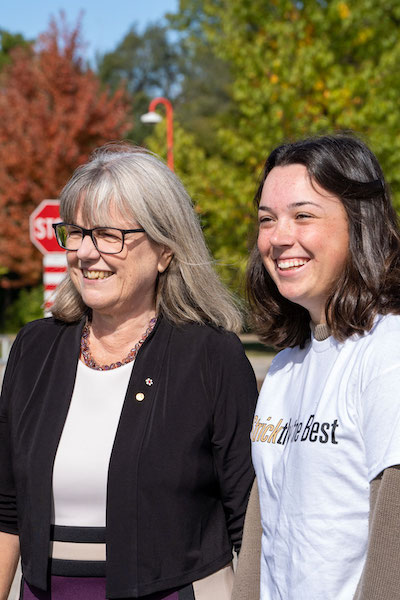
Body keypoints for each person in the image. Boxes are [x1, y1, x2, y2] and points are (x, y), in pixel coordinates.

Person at [0, 143, 258, 600]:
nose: (85, 252)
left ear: (164, 250)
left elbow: (248, 521)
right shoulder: (35, 349)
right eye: (76, 233)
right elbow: (5, 512)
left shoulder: (210, 357)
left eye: (108, 235)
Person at [242, 134, 400, 600]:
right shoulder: (287, 365)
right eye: (267, 220)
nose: (278, 237)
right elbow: (263, 530)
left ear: (360, 223)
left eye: (303, 215)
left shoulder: (386, 351)